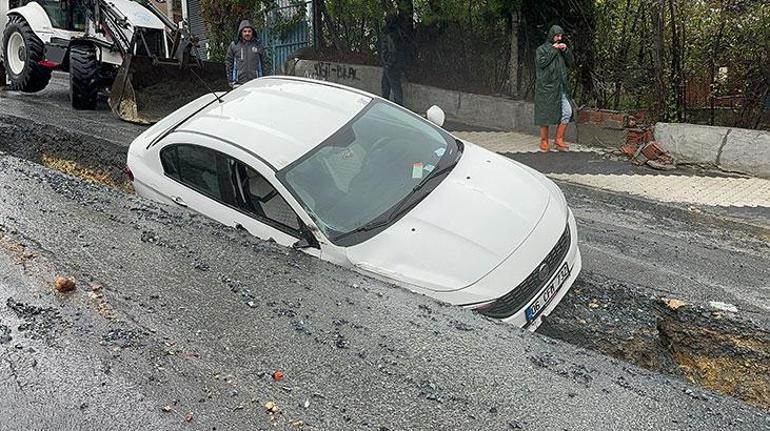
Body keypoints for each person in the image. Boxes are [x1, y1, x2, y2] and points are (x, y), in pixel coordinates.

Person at [534, 25, 575, 152]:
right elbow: (541, 63)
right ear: (551, 35)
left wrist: (566, 50)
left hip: (561, 87)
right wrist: (553, 50)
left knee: (567, 112)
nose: (559, 38)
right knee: (544, 113)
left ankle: (559, 139)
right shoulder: (542, 49)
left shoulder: (561, 50)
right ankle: (544, 141)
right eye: (557, 36)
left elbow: (571, 63)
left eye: (561, 36)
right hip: (546, 87)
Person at [225, 20, 266, 88]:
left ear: (252, 32)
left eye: (249, 31)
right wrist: (231, 81)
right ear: (241, 32)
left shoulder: (258, 45)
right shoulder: (234, 45)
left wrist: (265, 80)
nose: (247, 33)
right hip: (238, 84)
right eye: (245, 31)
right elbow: (229, 63)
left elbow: (265, 63)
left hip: (256, 83)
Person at [380, 15, 405, 105]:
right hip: (391, 64)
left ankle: (399, 106)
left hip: (391, 65)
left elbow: (392, 50)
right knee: (386, 85)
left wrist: (388, 64)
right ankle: (386, 103)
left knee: (394, 86)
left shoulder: (391, 34)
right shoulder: (396, 31)